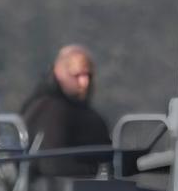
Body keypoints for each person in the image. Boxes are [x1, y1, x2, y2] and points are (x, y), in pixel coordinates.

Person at [20, 45, 112, 178]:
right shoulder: (50, 110)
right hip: (55, 188)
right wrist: (95, 172)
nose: (84, 83)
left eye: (88, 75)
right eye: (77, 75)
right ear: (59, 73)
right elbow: (52, 164)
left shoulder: (90, 116)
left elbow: (109, 157)